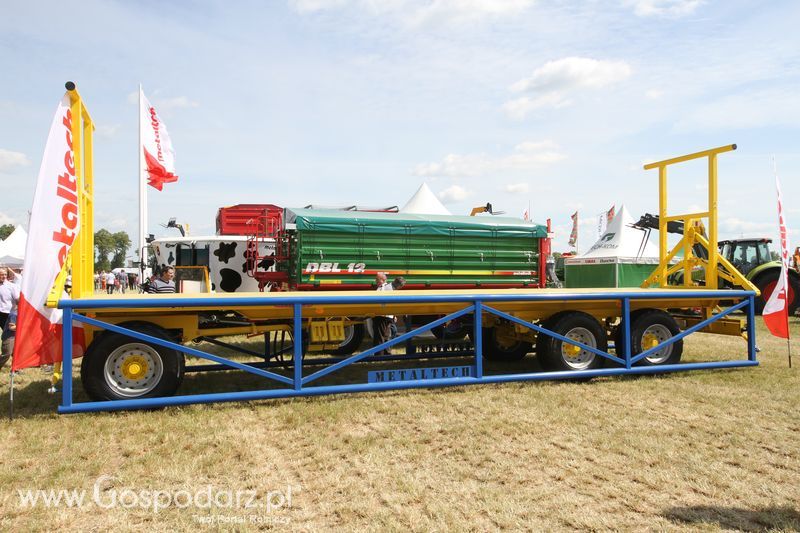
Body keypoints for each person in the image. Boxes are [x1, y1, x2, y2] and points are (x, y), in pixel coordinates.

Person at [372, 272, 393, 354]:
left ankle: (379, 355)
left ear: (383, 279)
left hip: (381, 315)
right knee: (386, 335)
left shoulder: (382, 288)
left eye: (377, 279)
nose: (376, 281)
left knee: (379, 336)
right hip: (387, 315)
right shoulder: (388, 287)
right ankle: (387, 353)